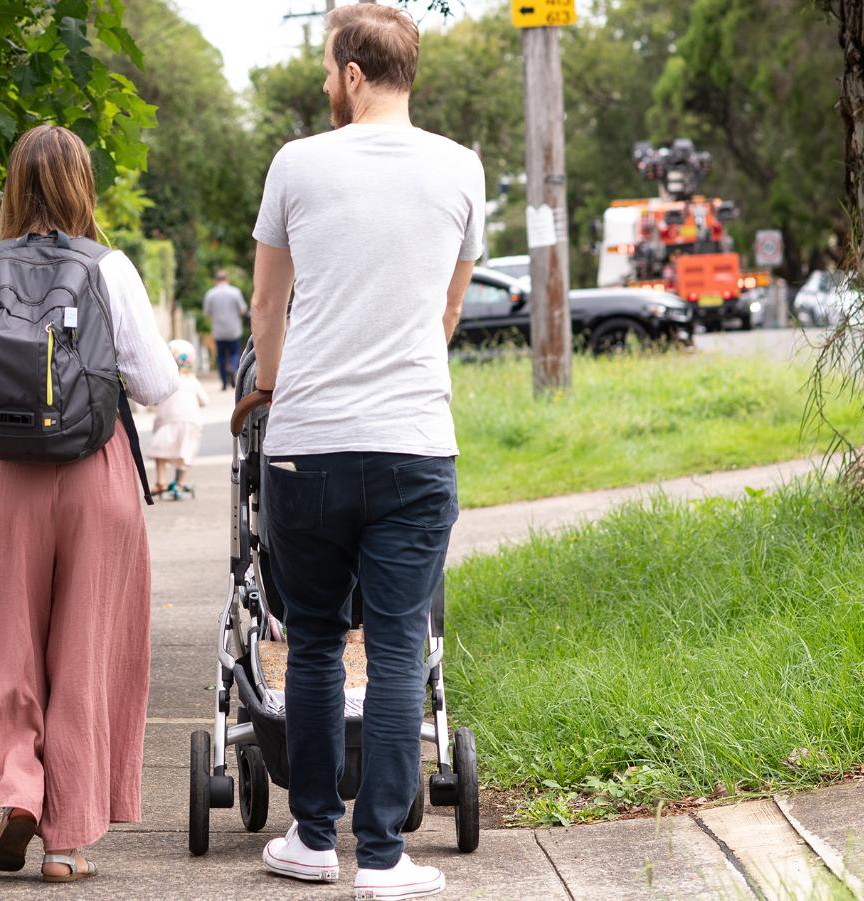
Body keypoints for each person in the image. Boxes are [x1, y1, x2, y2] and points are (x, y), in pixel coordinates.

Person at [237, 6, 483, 899]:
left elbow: (269, 306)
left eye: (326, 74)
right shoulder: (461, 168)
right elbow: (448, 313)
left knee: (309, 641)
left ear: (348, 73)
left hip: (307, 446)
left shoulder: (297, 163)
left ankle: (310, 839)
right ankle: (382, 858)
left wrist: (273, 383)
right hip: (416, 444)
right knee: (395, 646)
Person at [0, 124, 179, 884]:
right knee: (87, 651)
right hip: (98, 477)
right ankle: (66, 843)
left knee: (3, 647)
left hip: (5, 480)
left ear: (13, 186)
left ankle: (18, 787)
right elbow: (158, 386)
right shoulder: (111, 268)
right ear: (82, 186)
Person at [148, 339, 210, 500]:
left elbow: (154, 399)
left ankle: (161, 481)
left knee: (160, 452)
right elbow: (205, 401)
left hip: (168, 422)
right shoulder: (192, 381)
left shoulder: (166, 380)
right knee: (185, 454)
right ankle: (179, 483)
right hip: (191, 423)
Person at [202, 271, 249, 390]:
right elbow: (243, 310)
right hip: (234, 330)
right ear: (227, 279)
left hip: (218, 331)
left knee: (221, 357)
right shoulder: (235, 292)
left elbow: (207, 312)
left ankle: (223, 384)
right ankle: (233, 370)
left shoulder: (210, 294)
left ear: (215, 280)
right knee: (234, 354)